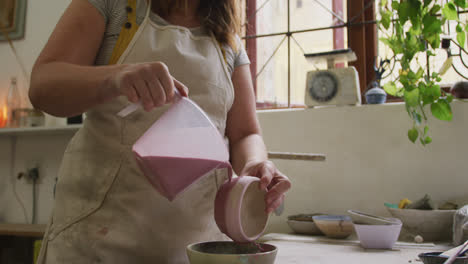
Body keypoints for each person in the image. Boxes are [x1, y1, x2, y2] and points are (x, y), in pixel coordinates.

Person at [29, 0, 291, 263]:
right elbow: (42, 87)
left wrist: (255, 163)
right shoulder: (113, 7)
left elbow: (244, 134)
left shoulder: (228, 41)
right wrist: (116, 77)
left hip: (196, 245)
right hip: (100, 240)